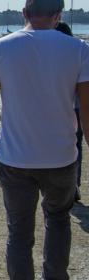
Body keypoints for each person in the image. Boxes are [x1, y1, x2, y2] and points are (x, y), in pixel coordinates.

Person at [0, 0, 89, 280]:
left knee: (19, 234)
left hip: (14, 157)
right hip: (61, 156)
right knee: (58, 220)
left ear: (24, 12)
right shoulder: (79, 50)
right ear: (59, 15)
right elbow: (87, 112)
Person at [56, 21, 83, 201]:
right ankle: (74, 185)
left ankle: (64, 186)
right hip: (78, 108)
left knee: (58, 145)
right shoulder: (79, 52)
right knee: (76, 146)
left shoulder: (52, 56)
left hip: (59, 108)